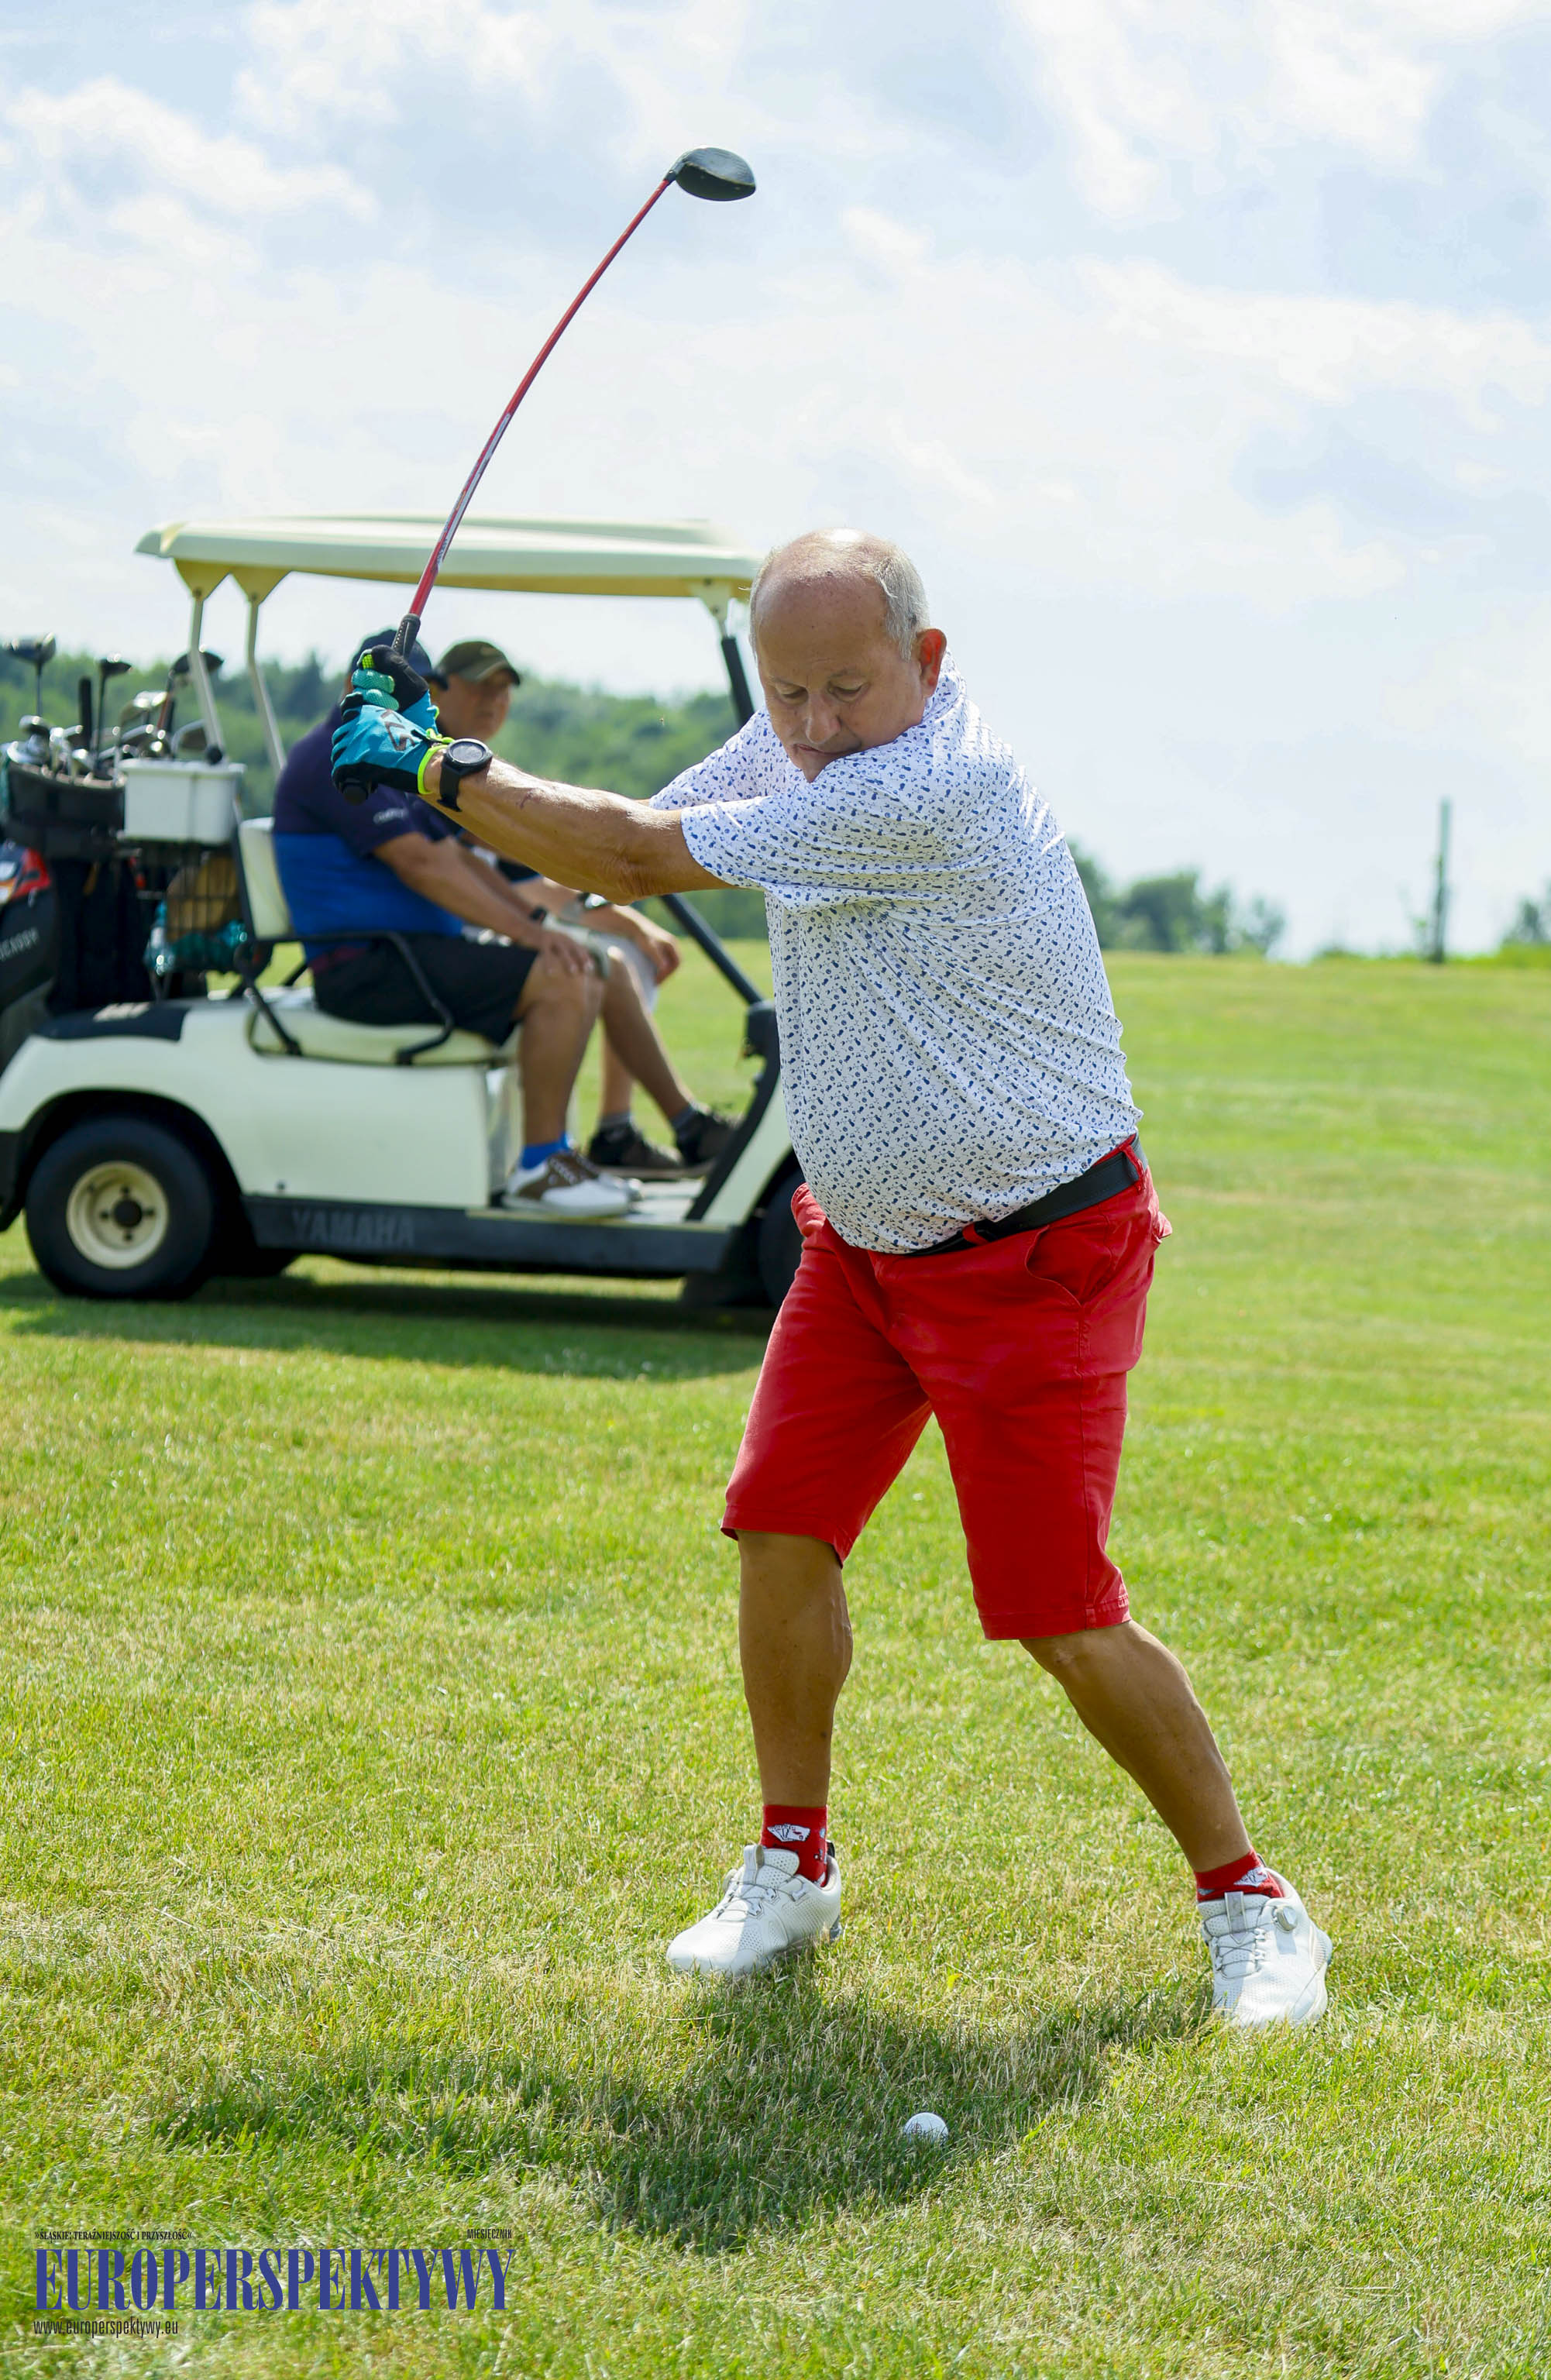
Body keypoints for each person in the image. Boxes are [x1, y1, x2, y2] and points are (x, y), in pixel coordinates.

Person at [331, 537, 1333, 2027]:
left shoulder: (928, 783)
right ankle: (789, 1866)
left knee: (1057, 1610)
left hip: (1034, 1254)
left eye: (845, 690)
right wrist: (457, 759)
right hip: (859, 1247)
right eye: (785, 691)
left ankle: (1250, 1900)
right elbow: (628, 824)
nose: (810, 724)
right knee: (779, 1527)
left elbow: (625, 860)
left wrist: (430, 757)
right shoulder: (801, 739)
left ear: (927, 666)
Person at [272, 629, 731, 1219]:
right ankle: (542, 1166)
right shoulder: (341, 752)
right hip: (368, 966)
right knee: (561, 976)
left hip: (412, 953)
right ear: (353, 684)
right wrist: (533, 936)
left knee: (583, 961)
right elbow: (423, 864)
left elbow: (459, 859)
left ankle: (675, 1128)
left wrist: (538, 924)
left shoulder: (389, 754)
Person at [428, 638, 734, 1180]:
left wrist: (633, 921)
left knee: (629, 956)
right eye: (480, 686)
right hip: (450, 943)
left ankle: (621, 1127)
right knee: (605, 961)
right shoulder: (443, 775)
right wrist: (614, 920)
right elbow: (524, 892)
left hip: (482, 935)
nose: (494, 700)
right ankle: (656, 1127)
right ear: (436, 689)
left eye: (503, 690)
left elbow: (540, 879)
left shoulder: (472, 774)